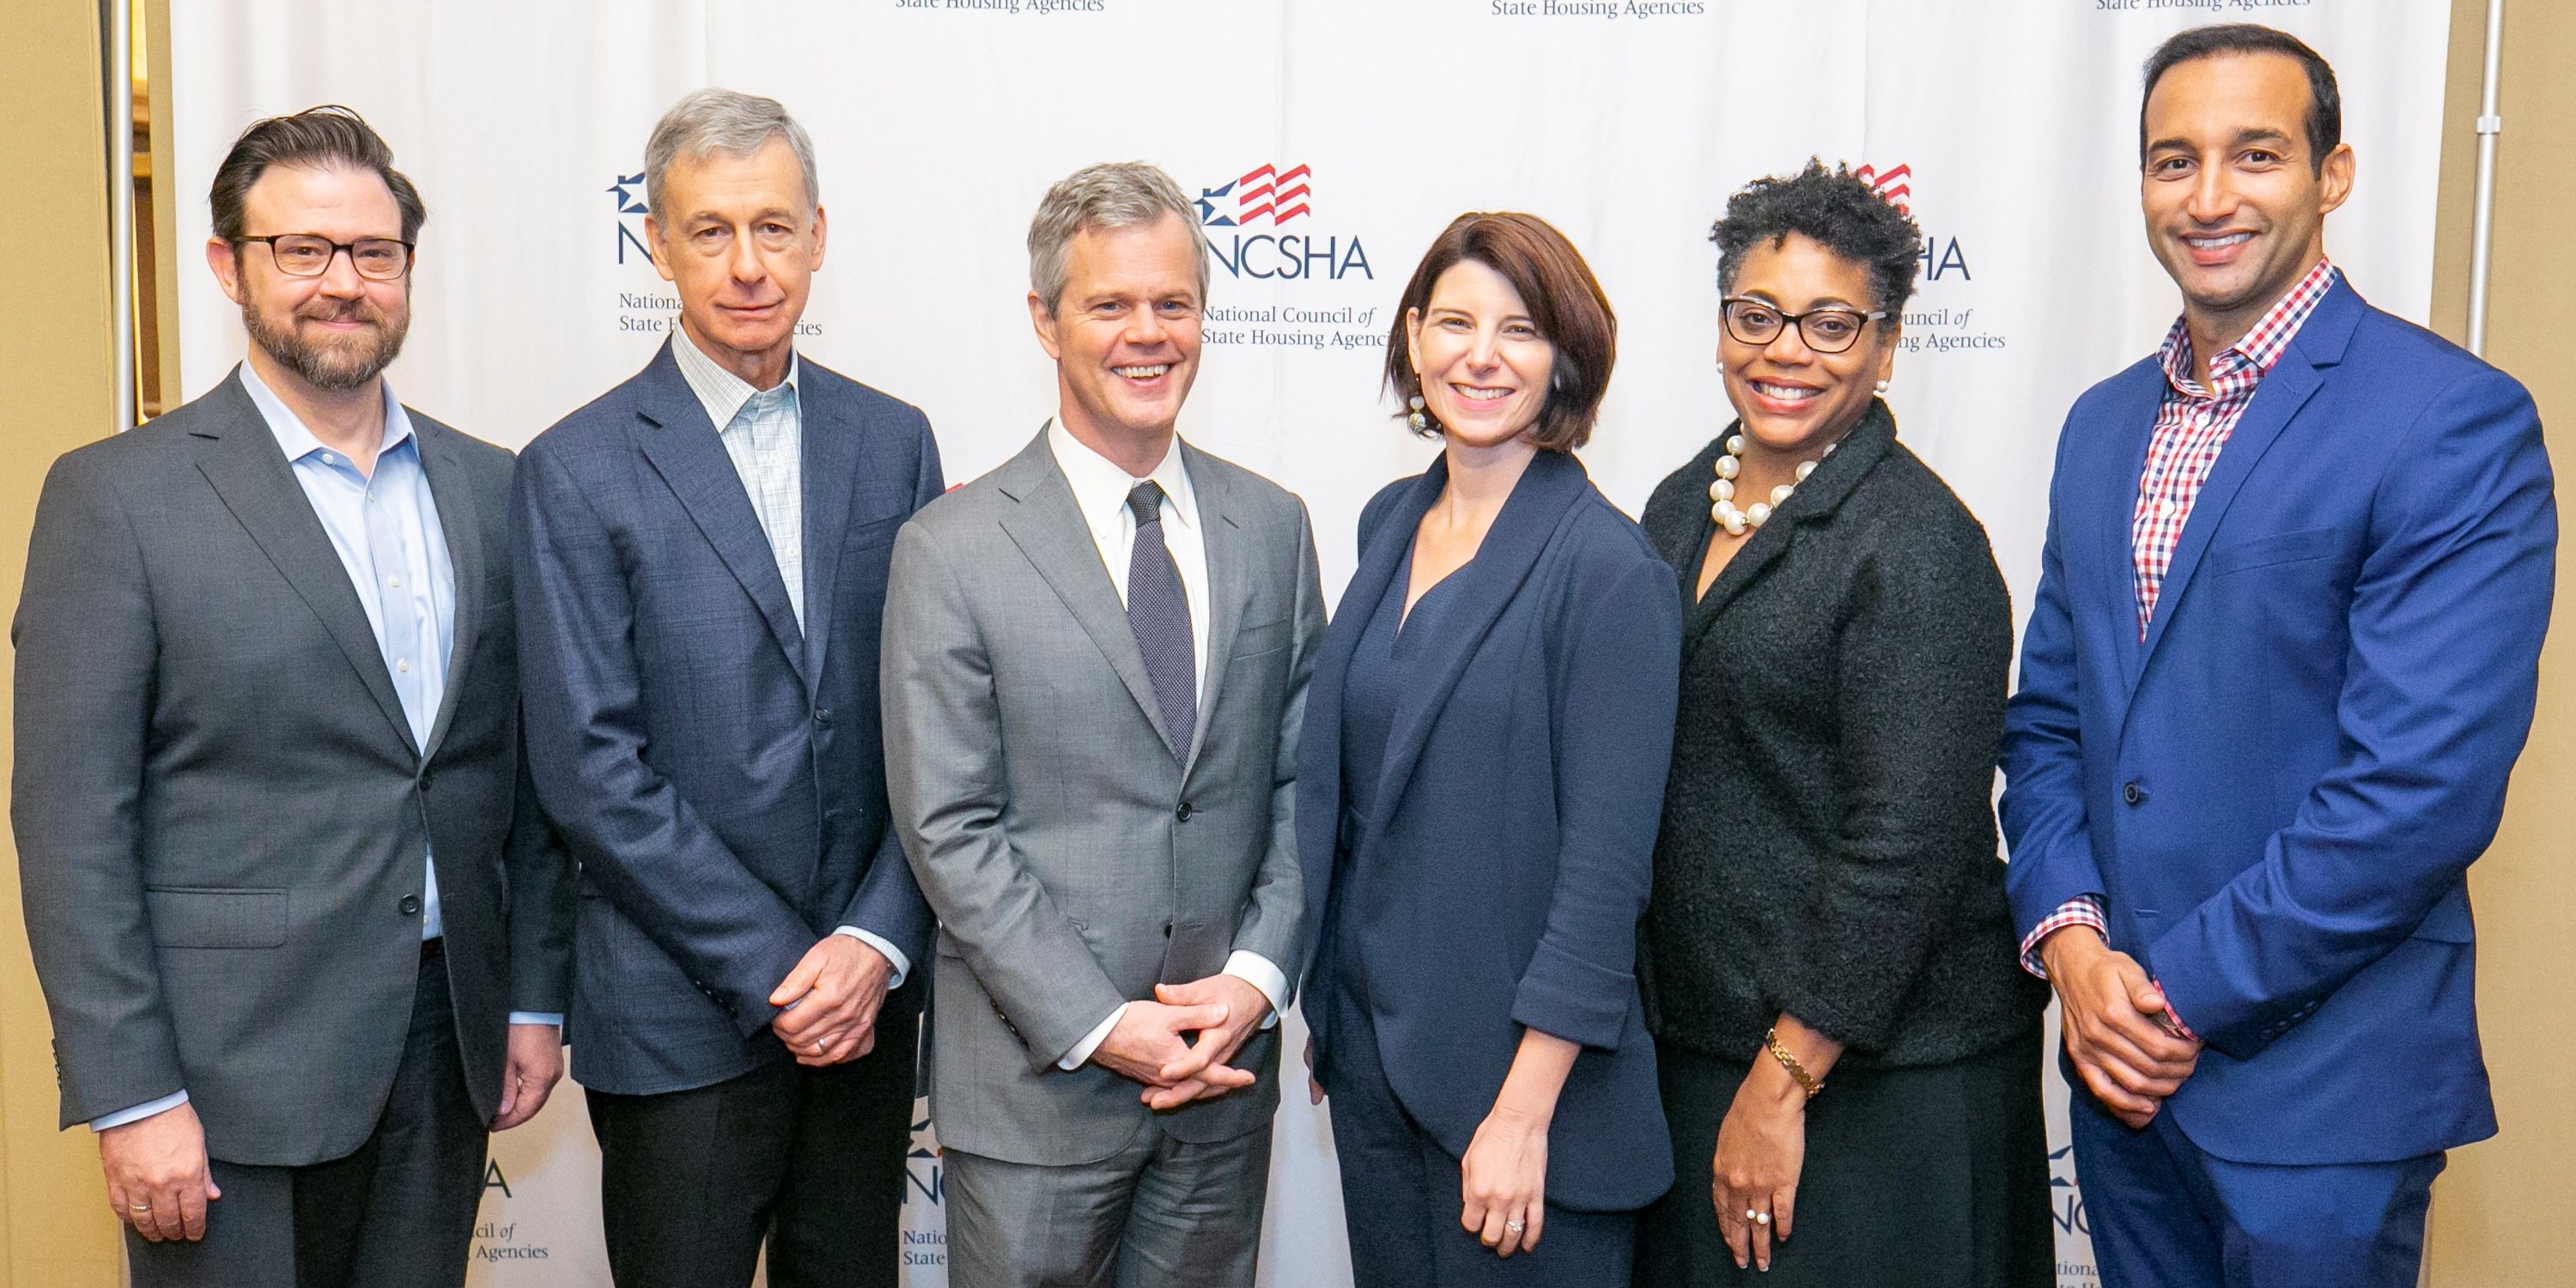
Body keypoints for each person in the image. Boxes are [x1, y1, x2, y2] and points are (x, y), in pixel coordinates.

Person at [1999, 26, 2555, 1288]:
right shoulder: (2100, 425)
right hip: (2122, 1089)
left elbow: (2417, 796)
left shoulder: (2449, 420)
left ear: (2334, 172)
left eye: (2255, 155)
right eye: (2172, 160)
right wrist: (2078, 951)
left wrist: (2170, 998)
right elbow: (2046, 726)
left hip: (2320, 1105)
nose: (2208, 197)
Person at [12, 106, 571, 1286]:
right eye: (301, 250)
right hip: (224, 1081)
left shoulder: (489, 486)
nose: (341, 284)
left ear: (407, 271)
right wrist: (132, 1094)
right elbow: (70, 828)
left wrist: (532, 998)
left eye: (373, 254)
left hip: (443, 1044)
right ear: (229, 265)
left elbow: (516, 784)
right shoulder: (117, 501)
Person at [512, 89, 942, 1288]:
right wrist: (780, 967)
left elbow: (936, 731)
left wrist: (870, 944)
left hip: (867, 1012)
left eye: (773, 227)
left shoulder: (895, 441)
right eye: (710, 231)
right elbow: (590, 769)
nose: (748, 265)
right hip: (677, 1020)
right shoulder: (575, 468)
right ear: (657, 244)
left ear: (817, 235)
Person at [879, 161, 1322, 1288]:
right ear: (1045, 320)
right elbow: (949, 829)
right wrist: (1097, 1022)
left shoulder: (1273, 526)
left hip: (1220, 1089)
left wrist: (1257, 980)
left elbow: (1302, 785)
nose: (1148, 333)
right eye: (1110, 304)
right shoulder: (952, 548)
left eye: (1173, 303)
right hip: (1039, 1097)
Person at [1630, 161, 2051, 1286]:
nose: (1786, 350)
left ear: (1887, 339)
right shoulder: (1679, 504)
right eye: (1757, 315)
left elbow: (1904, 844)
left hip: (1873, 1082)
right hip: (1709, 1046)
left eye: (1831, 322)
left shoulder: (1917, 544)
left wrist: (1783, 1077)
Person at [1295, 212, 1678, 1288]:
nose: (1481, 354)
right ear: (1414, 339)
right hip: (1376, 1067)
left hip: (1524, 1108)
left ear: (1564, 356)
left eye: (1518, 329)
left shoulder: (1608, 571)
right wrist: (1338, 1015)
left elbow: (1606, 880)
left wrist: (1521, 1114)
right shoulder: (1387, 524)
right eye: (1454, 322)